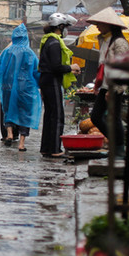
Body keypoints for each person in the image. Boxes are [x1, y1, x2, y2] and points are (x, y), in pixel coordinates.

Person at [0, 23, 42, 151]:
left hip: (8, 86)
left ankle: (9, 134)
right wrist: (41, 85)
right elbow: (37, 71)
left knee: (8, 109)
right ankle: (21, 144)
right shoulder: (30, 53)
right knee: (25, 113)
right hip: (26, 87)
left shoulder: (6, 52)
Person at [87, 7, 129, 153]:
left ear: (109, 24)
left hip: (115, 86)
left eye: (100, 23)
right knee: (96, 117)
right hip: (105, 85)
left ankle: (119, 148)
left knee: (114, 118)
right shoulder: (104, 40)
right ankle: (116, 143)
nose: (97, 26)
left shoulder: (120, 42)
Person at [39, 12, 81, 157]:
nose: (66, 30)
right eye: (66, 27)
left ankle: (46, 148)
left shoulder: (47, 40)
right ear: (61, 26)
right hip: (52, 81)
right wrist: (71, 67)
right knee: (57, 115)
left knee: (49, 115)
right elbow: (56, 67)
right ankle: (55, 149)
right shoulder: (55, 43)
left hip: (45, 80)